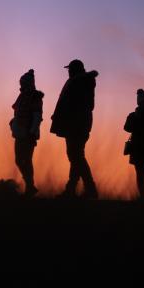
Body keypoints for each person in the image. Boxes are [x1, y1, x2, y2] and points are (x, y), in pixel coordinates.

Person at [50, 59, 98, 199]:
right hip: (77, 124)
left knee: (76, 156)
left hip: (76, 125)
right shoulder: (81, 82)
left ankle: (89, 189)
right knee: (76, 156)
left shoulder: (78, 82)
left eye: (70, 69)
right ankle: (73, 190)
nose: (68, 71)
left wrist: (62, 116)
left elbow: (72, 103)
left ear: (75, 70)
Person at [11, 69, 44, 196]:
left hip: (28, 135)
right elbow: (18, 113)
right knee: (19, 160)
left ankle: (30, 186)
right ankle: (30, 185)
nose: (21, 85)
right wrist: (13, 122)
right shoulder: (22, 96)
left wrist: (32, 132)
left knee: (26, 160)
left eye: (23, 82)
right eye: (21, 82)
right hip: (19, 133)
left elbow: (37, 116)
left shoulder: (35, 96)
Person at [123, 89, 144, 200]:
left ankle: (143, 195)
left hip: (137, 147)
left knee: (140, 172)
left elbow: (126, 128)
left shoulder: (133, 115)